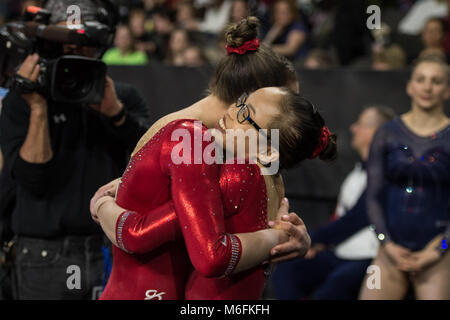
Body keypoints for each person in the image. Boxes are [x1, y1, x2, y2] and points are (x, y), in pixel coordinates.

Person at [90, 16, 312, 299]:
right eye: (286, 109)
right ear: (252, 101)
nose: (288, 127)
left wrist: (294, 236)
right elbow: (142, 232)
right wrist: (278, 237)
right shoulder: (193, 140)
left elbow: (255, 212)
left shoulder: (228, 147)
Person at [94, 86, 336, 300]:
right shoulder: (271, 178)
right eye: (242, 100)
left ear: (268, 151)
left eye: (245, 114)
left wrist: (100, 204)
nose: (232, 110)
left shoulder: (238, 176)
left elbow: (137, 233)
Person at [0, 0, 150, 300]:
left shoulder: (123, 98)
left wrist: (116, 114)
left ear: (100, 46)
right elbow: (31, 178)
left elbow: (150, 166)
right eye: (66, 46)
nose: (76, 54)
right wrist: (39, 107)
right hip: (44, 255)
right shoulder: (23, 102)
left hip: (108, 248)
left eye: (86, 45)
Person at [272, 106, 395, 300]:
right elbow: (341, 215)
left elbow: (359, 217)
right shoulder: (357, 172)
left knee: (330, 293)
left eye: (360, 124)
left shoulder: (387, 172)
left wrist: (315, 239)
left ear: (376, 132)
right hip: (340, 252)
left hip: (367, 256)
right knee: (288, 269)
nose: (353, 128)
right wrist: (317, 244)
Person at [360, 55, 450, 300]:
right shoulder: (387, 133)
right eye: (421, 79)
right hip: (390, 250)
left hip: (438, 251)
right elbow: (373, 196)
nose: (428, 87)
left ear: (447, 90)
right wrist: (386, 243)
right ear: (410, 86)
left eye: (436, 81)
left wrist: (440, 249)